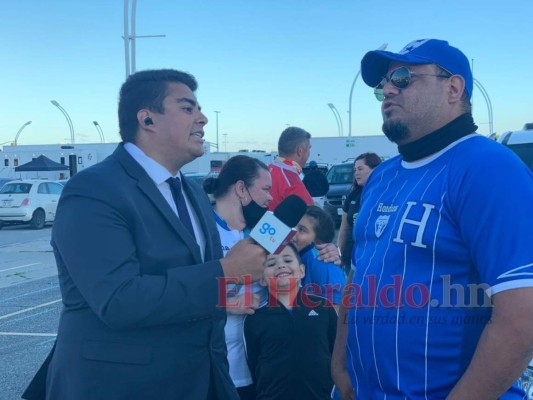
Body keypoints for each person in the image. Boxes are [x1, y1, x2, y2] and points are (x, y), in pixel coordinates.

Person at [23, 69, 268, 400]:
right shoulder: (94, 190)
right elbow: (119, 299)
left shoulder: (193, 193)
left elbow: (199, 293)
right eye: (188, 108)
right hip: (119, 387)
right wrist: (225, 271)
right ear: (147, 120)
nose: (203, 119)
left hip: (201, 382)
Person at [331, 39, 533, 400]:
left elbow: (522, 321)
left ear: (453, 88)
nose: (388, 89)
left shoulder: (489, 168)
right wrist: (340, 366)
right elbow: (359, 275)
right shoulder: (382, 176)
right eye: (384, 84)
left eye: (404, 77)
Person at [203, 154, 273, 400]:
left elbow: (303, 258)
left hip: (262, 368)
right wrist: (224, 304)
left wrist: (327, 252)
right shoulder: (199, 228)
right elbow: (175, 292)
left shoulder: (267, 226)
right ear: (241, 189)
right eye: (265, 189)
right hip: (214, 370)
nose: (270, 197)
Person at [244, 243, 337, 400]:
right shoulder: (254, 318)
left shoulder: (324, 308)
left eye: (287, 260)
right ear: (262, 279)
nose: (281, 266)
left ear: (302, 271)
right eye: (272, 263)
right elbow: (254, 365)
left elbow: (336, 353)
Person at [292, 205, 346, 310]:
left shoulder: (323, 263)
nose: (293, 233)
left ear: (319, 241)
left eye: (302, 230)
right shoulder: (298, 255)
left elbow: (337, 310)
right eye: (294, 227)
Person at [336, 152, 381, 272]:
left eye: (360, 169)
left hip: (374, 260)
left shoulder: (385, 194)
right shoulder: (353, 196)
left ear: (375, 169)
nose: (356, 173)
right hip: (350, 260)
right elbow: (344, 228)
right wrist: (338, 254)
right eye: (355, 170)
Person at [268, 126, 314, 211]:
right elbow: (312, 218)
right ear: (300, 151)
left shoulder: (265, 170)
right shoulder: (292, 183)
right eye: (309, 148)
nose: (309, 153)